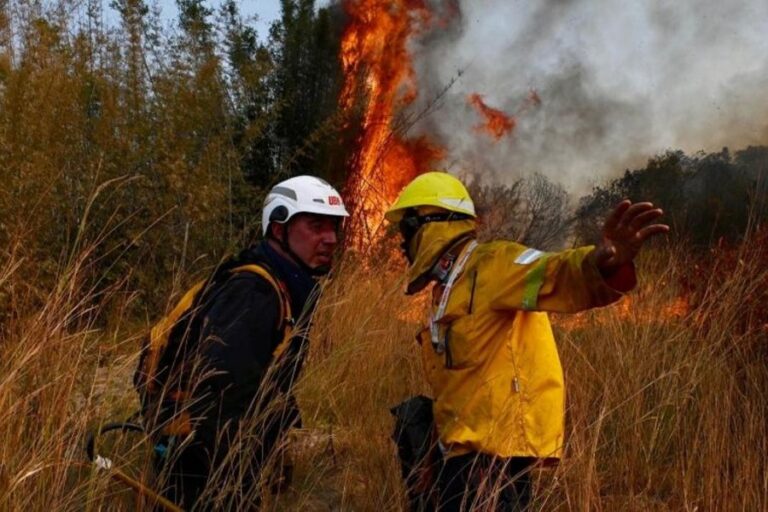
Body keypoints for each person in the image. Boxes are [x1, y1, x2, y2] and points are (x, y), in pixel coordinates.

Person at [384, 171, 669, 511]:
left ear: (429, 225)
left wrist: (602, 261)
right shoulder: (447, 289)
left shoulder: (494, 264)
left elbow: (555, 272)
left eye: (406, 229)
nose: (402, 242)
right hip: (458, 460)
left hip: (494, 464)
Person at [152, 175, 348, 510]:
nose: (330, 239)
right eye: (316, 226)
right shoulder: (254, 293)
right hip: (200, 458)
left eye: (333, 227)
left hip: (215, 452)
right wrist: (235, 481)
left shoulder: (284, 285)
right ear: (278, 230)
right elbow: (223, 395)